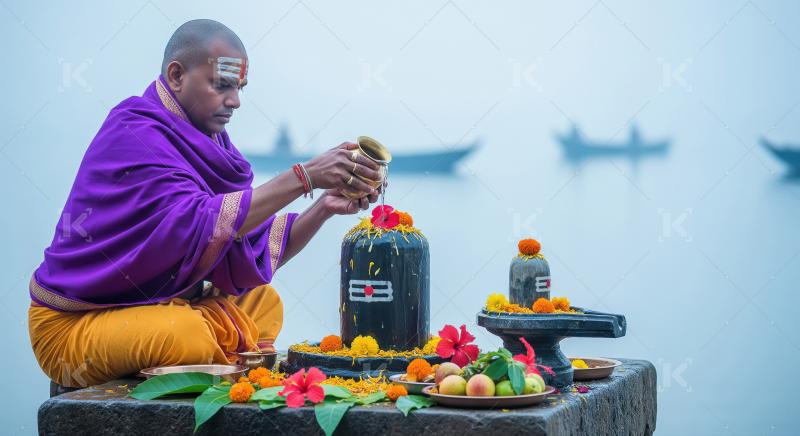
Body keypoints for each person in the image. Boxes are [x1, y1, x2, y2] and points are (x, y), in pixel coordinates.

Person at [28, 19, 382, 387]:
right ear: (177, 76)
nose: (235, 101)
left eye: (239, 88)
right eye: (222, 85)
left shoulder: (210, 143)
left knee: (264, 301)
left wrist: (323, 206)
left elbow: (248, 244)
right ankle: (214, 355)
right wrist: (304, 176)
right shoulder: (134, 131)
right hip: (73, 323)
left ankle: (209, 353)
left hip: (157, 304)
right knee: (187, 335)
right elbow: (198, 224)